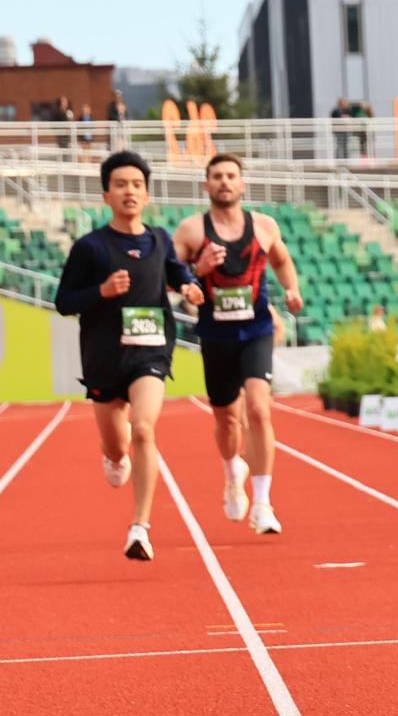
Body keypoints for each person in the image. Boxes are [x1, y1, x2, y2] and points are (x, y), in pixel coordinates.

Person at [54, 149, 197, 562]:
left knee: (144, 430)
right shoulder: (90, 248)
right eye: (120, 185)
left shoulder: (160, 239)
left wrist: (187, 285)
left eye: (137, 184)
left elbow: (176, 270)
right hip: (104, 357)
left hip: (151, 350)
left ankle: (140, 528)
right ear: (106, 195)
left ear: (147, 194)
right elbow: (64, 301)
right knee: (118, 447)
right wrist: (101, 292)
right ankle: (113, 456)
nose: (129, 191)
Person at [172, 153, 302, 535]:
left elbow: (282, 261)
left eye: (231, 176)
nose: (225, 182)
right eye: (217, 176)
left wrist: (291, 289)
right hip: (216, 334)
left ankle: (262, 503)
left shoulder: (263, 226)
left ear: (242, 184)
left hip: (256, 329)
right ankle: (232, 472)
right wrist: (198, 271)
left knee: (259, 409)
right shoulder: (191, 230)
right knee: (227, 419)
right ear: (206, 185)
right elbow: (170, 278)